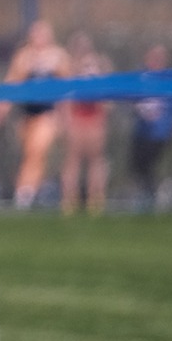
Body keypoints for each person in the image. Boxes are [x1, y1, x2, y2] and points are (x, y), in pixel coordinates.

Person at [0, 20, 72, 209]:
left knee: (37, 151)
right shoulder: (24, 56)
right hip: (27, 114)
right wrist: (1, 105)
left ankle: (25, 193)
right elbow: (13, 81)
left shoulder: (58, 56)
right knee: (30, 154)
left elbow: (67, 86)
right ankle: (28, 190)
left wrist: (65, 115)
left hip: (48, 113)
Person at [58, 32, 110, 215]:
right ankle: (68, 200)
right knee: (72, 161)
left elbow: (107, 98)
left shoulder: (100, 66)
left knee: (96, 161)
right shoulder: (69, 69)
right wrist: (66, 121)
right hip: (76, 120)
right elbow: (65, 98)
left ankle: (95, 199)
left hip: (94, 121)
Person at [130, 44, 172, 211]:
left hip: (160, 133)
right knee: (138, 165)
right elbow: (133, 99)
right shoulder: (142, 77)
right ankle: (149, 195)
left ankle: (156, 194)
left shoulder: (169, 80)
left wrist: (161, 116)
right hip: (142, 131)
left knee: (149, 164)